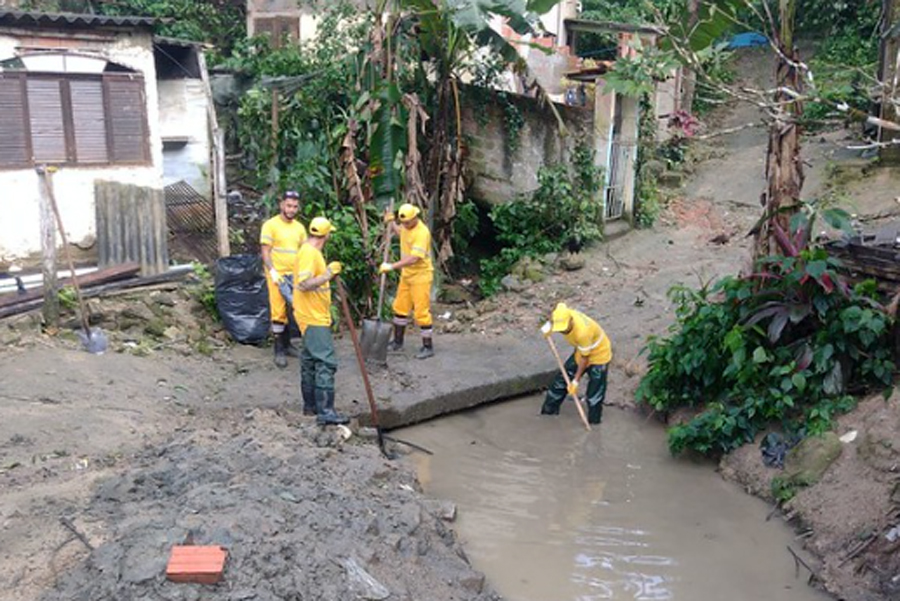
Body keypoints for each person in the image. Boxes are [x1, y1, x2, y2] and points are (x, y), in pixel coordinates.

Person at [293, 216, 349, 426]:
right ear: (326, 235)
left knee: (309, 360)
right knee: (325, 361)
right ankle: (326, 411)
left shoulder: (307, 250)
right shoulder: (309, 253)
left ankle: (311, 407)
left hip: (308, 313)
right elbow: (305, 284)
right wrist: (328, 274)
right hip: (313, 316)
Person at [540, 303, 612, 425]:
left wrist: (575, 381)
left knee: (594, 396)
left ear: (571, 322)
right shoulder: (562, 314)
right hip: (581, 350)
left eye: (564, 329)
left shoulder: (582, 332)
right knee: (560, 382)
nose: (562, 331)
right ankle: (548, 414)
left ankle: (594, 423)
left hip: (599, 356)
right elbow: (553, 319)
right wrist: (548, 327)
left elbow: (585, 359)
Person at [380, 203, 435, 359]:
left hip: (421, 276)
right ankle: (398, 342)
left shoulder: (422, 233)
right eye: (402, 222)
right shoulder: (406, 226)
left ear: (414, 218)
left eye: (406, 222)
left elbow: (414, 258)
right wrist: (391, 222)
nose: (404, 225)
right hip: (407, 275)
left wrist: (391, 266)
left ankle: (427, 346)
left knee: (421, 312)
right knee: (400, 307)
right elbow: (399, 232)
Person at [260, 190, 307, 368]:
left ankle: (288, 345)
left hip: (293, 274)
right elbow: (265, 251)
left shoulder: (300, 228)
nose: (291, 209)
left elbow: (304, 252)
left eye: (295, 206)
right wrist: (272, 270)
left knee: (291, 309)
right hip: (277, 274)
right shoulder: (270, 225)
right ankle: (279, 350)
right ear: (282, 205)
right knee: (278, 311)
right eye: (288, 205)